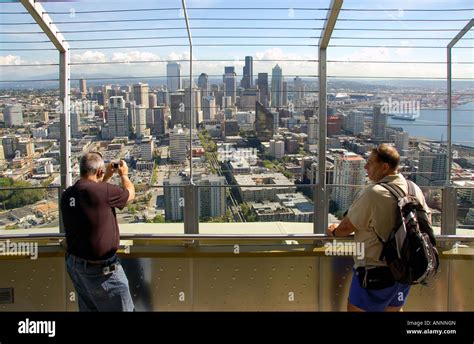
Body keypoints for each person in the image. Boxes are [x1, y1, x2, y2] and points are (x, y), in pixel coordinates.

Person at [326, 144, 431, 312]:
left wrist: (334, 231)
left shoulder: (374, 192)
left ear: (384, 167)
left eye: (370, 163)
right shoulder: (414, 188)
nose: (366, 167)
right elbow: (426, 221)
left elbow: (347, 226)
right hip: (405, 270)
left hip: (375, 272)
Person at [60, 152, 136, 311]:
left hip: (76, 266)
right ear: (99, 172)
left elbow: (94, 198)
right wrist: (124, 175)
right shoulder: (103, 192)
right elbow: (130, 194)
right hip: (102, 272)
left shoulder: (67, 195)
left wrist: (105, 177)